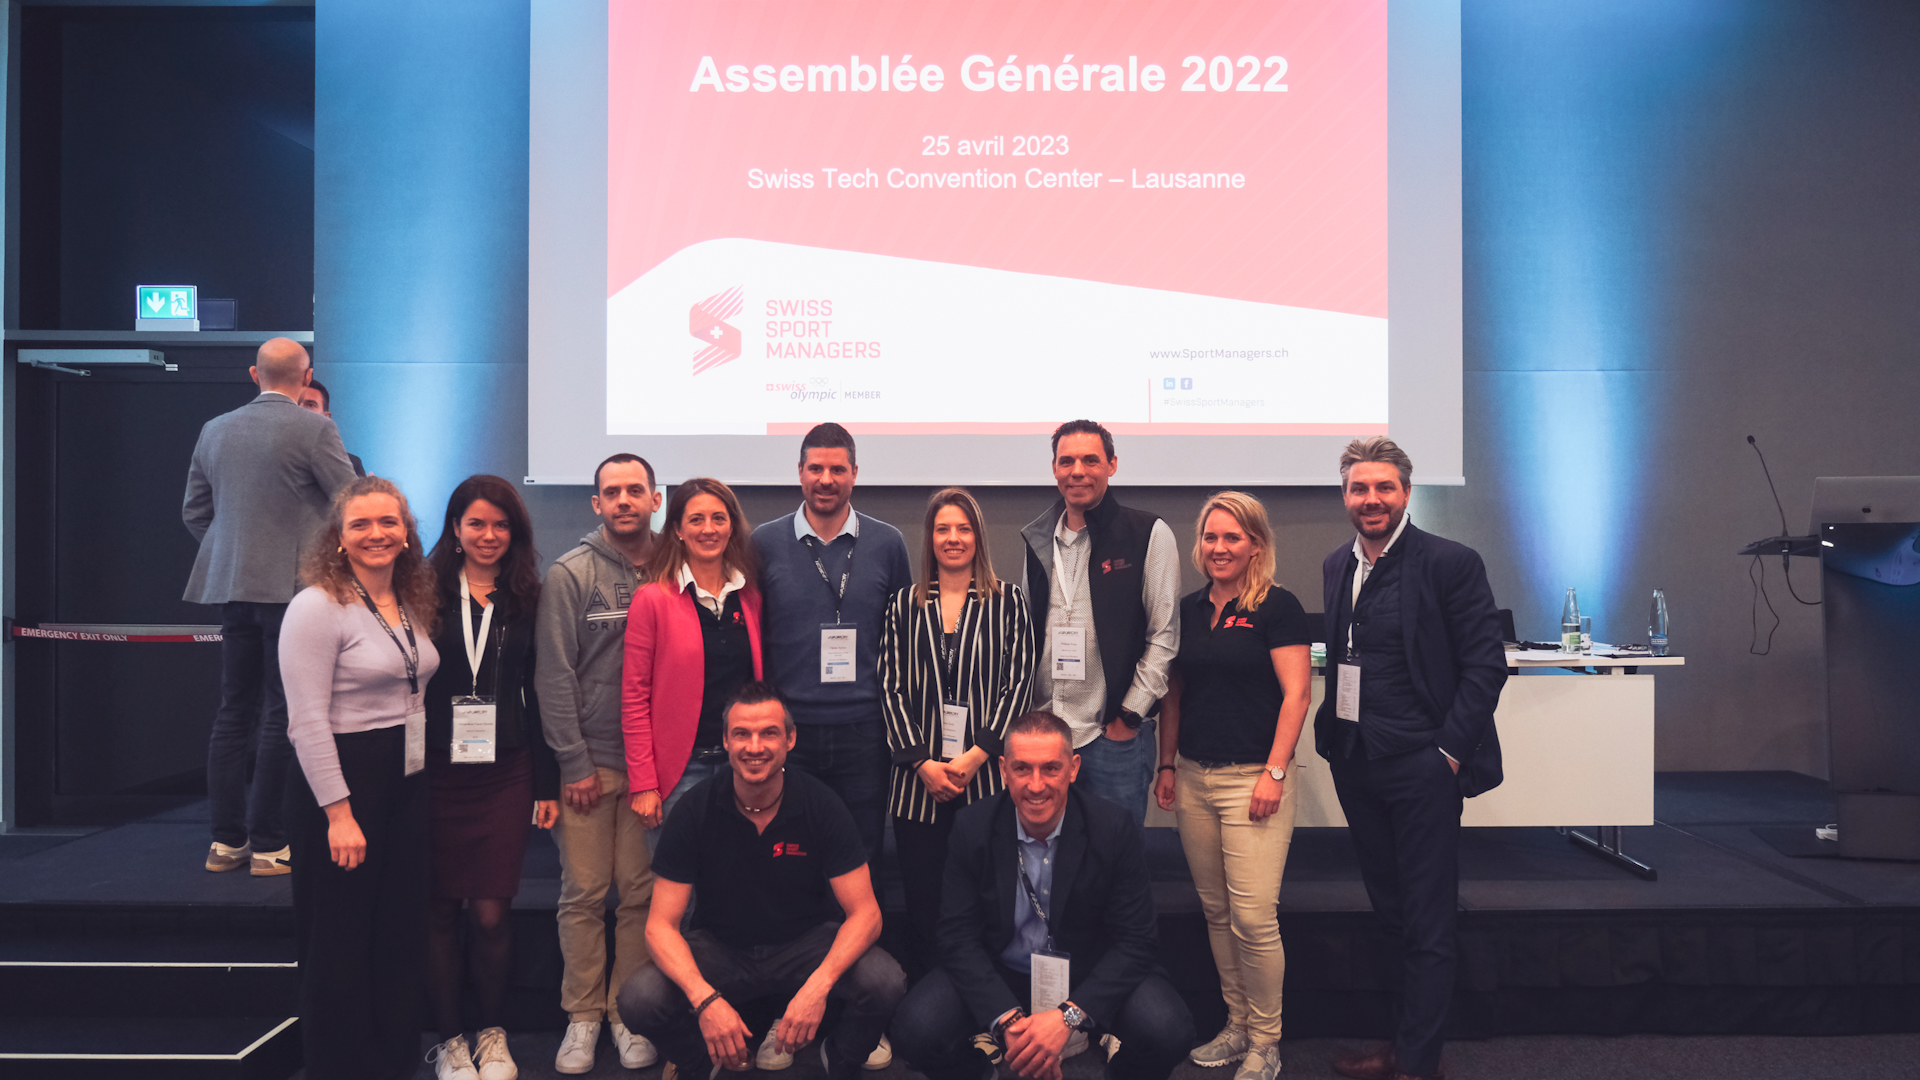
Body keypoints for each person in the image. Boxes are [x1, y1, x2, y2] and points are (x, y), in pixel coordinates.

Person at [1315, 437, 1507, 1080]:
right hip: (1357, 763)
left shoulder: (1450, 562)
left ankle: (1418, 1064)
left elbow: (1485, 666)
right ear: (1345, 495)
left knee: (1427, 921)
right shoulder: (1337, 565)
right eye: (1359, 488)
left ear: (1405, 492)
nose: (1370, 499)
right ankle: (1402, 1045)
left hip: (1423, 766)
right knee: (1391, 914)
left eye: (1383, 487)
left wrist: (1447, 754)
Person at [616, 682, 907, 1080]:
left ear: (790, 739)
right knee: (639, 999)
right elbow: (660, 926)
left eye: (769, 733)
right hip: (721, 948)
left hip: (805, 945)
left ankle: (840, 1059)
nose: (755, 747)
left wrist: (817, 988)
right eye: (742, 734)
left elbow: (866, 914)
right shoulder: (694, 809)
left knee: (885, 981)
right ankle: (700, 1064)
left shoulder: (821, 804)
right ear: (726, 741)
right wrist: (705, 1001)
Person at [892, 710, 1195, 1080]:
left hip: (1086, 971)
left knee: (1169, 1029)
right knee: (914, 1029)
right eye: (1022, 769)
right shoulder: (973, 826)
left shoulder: (1112, 827)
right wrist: (1006, 1019)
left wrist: (1068, 1016)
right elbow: (957, 937)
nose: (1036, 786)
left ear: (1073, 768)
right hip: (1002, 971)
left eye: (1051, 768)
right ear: (1004, 770)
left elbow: (1137, 941)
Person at [278, 476, 441, 1080]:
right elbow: (306, 722)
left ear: (407, 532)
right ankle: (337, 1067)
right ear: (339, 539)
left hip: (405, 779)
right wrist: (339, 813)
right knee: (339, 940)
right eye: (361, 524)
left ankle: (390, 1062)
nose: (377, 534)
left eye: (389, 522)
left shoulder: (407, 597)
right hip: (343, 784)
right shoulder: (316, 606)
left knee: (397, 931)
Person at [1152, 492, 1315, 1080]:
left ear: (1256, 545)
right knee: (1217, 912)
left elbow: (1298, 694)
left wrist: (1275, 771)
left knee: (1253, 917)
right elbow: (1174, 695)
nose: (1219, 548)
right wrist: (1166, 765)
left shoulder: (1279, 606)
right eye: (1210, 537)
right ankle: (1238, 1023)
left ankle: (1267, 1040)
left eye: (1232, 537)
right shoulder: (1189, 609)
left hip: (1254, 781)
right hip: (1195, 777)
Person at [183, 336, 358, 877]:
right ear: (306, 378)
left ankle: (225, 843)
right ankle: (268, 844)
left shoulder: (214, 429)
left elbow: (195, 512)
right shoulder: (316, 428)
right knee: (285, 713)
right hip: (294, 595)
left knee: (234, 711)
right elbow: (354, 506)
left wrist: (234, 555)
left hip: (231, 590)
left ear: (254, 375)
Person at [420, 476, 561, 1080]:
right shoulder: (421, 592)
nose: (488, 535)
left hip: (506, 770)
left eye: (501, 525)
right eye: (476, 523)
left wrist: (547, 784)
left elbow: (542, 690)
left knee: (492, 913)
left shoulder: (529, 594)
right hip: (434, 772)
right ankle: (451, 1041)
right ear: (455, 528)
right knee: (439, 910)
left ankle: (494, 1034)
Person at [536, 453, 665, 1074]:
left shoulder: (676, 565)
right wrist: (573, 762)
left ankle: (626, 1014)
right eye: (612, 492)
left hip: (654, 767)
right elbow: (554, 675)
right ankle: (583, 1015)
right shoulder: (570, 573)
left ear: (656, 499)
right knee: (584, 895)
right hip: (590, 766)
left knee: (642, 894)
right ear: (596, 504)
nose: (623, 501)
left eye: (635, 490)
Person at [878, 487, 1036, 980]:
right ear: (929, 537)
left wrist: (975, 756)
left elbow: (1020, 683)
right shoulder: (903, 605)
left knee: (988, 897)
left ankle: (986, 1000)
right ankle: (933, 997)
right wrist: (922, 763)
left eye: (963, 529)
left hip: (985, 779)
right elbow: (890, 686)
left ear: (978, 537)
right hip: (918, 784)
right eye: (943, 528)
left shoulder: (1007, 601)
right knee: (926, 901)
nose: (953, 538)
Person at [1020, 420, 1180, 823]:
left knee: (1114, 851)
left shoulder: (1147, 534)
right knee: (1049, 849)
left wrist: (1128, 717)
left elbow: (1164, 637)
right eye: (1067, 461)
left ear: (1112, 464)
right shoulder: (1038, 541)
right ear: (1054, 469)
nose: (1078, 471)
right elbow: (1024, 635)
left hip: (1111, 737)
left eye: (1090, 460)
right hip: (1046, 736)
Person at [624, 477, 764, 829]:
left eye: (719, 518)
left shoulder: (749, 597)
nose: (708, 529)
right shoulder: (651, 600)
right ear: (677, 530)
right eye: (696, 520)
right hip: (681, 771)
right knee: (679, 864)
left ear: (732, 527)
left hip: (743, 764)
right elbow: (634, 698)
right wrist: (644, 782)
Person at [297, 376, 367, 476]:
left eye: (310, 405)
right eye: (295, 404)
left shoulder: (351, 464)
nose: (300, 410)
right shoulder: (276, 457)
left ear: (326, 417)